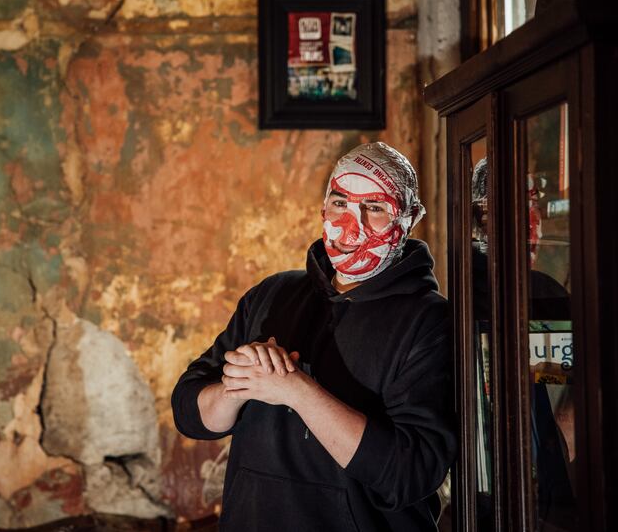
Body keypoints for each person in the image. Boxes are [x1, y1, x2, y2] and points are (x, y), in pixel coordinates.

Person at [171, 142, 457, 531]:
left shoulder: (431, 320)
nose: (351, 224)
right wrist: (237, 386)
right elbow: (188, 414)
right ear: (323, 208)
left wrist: (296, 391)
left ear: (408, 219)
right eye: (340, 202)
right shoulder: (271, 295)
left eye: (374, 208)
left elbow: (408, 474)